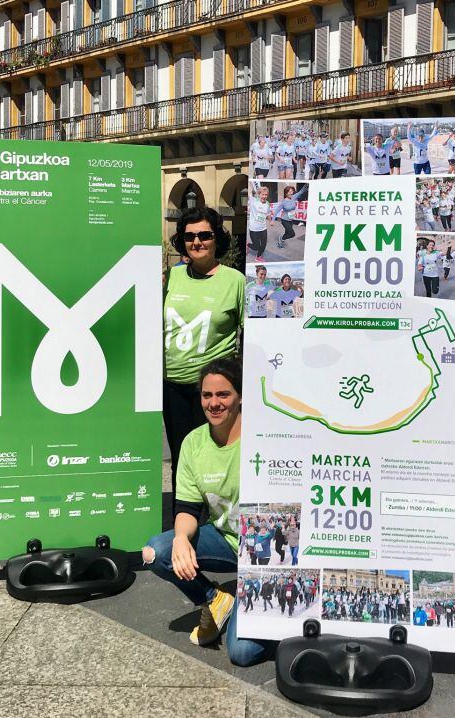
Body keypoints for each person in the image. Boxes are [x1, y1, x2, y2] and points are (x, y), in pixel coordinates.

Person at [143, 359, 268, 665]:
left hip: (267, 552)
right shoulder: (193, 443)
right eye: (206, 395)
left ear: (240, 396)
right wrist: (182, 539)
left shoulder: (265, 436)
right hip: (227, 540)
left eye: (223, 394)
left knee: (242, 653)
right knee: (156, 551)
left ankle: (262, 604)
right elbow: (187, 508)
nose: (214, 403)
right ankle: (214, 599)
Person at [163, 207, 244, 501]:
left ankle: (218, 524)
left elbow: (250, 333)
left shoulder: (235, 280)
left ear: (216, 238)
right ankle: (183, 527)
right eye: (189, 236)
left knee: (217, 457)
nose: (197, 242)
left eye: (205, 235)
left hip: (215, 390)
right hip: (173, 386)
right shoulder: (171, 278)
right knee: (181, 457)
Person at [274, 184, 307, 250]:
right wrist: (272, 220)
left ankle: (280, 243)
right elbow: (276, 211)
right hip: (284, 220)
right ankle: (281, 239)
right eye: (289, 192)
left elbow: (301, 192)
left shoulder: (294, 197)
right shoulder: (284, 202)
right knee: (292, 234)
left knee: (287, 233)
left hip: (290, 220)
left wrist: (305, 186)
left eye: (292, 191)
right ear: (286, 193)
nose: (291, 193)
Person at [246, 183, 272, 262]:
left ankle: (258, 257)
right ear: (259, 194)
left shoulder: (267, 203)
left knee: (263, 244)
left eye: (266, 195)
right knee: (256, 246)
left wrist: (271, 221)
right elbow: (248, 192)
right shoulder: (253, 201)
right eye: (263, 194)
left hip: (263, 228)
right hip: (254, 228)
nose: (264, 196)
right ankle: (247, 245)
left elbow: (268, 213)